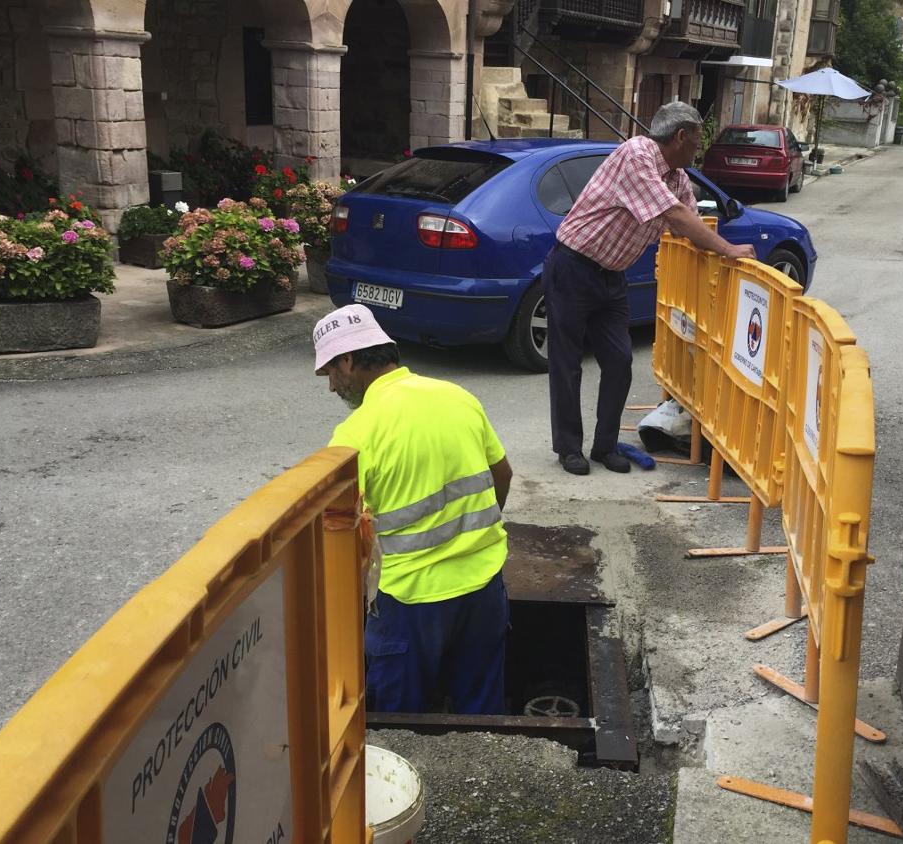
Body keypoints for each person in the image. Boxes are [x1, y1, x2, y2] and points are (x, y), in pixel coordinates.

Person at [313, 304, 513, 715]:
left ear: (349, 361)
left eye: (330, 372)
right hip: (484, 586)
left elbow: (336, 535)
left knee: (401, 726)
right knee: (485, 719)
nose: (332, 387)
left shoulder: (354, 433)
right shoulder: (457, 396)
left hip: (410, 602)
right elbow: (503, 475)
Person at [545, 101, 757, 476]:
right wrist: (728, 251)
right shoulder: (637, 154)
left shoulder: (676, 177)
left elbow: (688, 222)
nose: (699, 151)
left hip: (612, 275)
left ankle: (605, 445)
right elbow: (673, 215)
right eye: (696, 143)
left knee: (620, 361)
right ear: (679, 137)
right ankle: (568, 448)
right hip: (573, 266)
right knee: (567, 363)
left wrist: (719, 252)